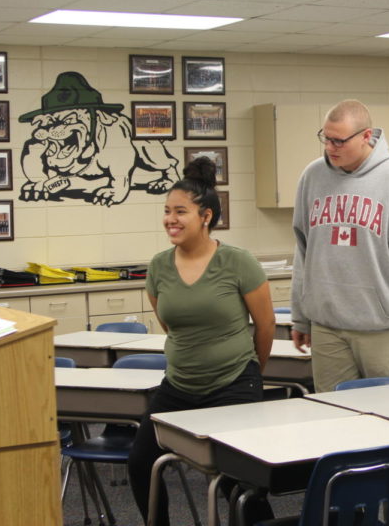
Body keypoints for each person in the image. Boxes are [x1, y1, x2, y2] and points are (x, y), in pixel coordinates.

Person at [127, 157, 275, 526]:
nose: (170, 220)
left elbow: (266, 325)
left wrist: (251, 371)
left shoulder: (237, 262)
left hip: (233, 384)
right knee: (141, 463)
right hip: (179, 385)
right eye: (166, 212)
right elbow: (170, 324)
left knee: (239, 480)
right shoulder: (159, 267)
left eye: (180, 212)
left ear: (206, 216)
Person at [290, 99, 389, 393]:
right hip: (328, 329)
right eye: (326, 138)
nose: (330, 147)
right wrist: (300, 317)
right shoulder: (312, 177)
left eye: (339, 140)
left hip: (384, 332)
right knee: (334, 421)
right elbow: (303, 249)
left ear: (366, 136)